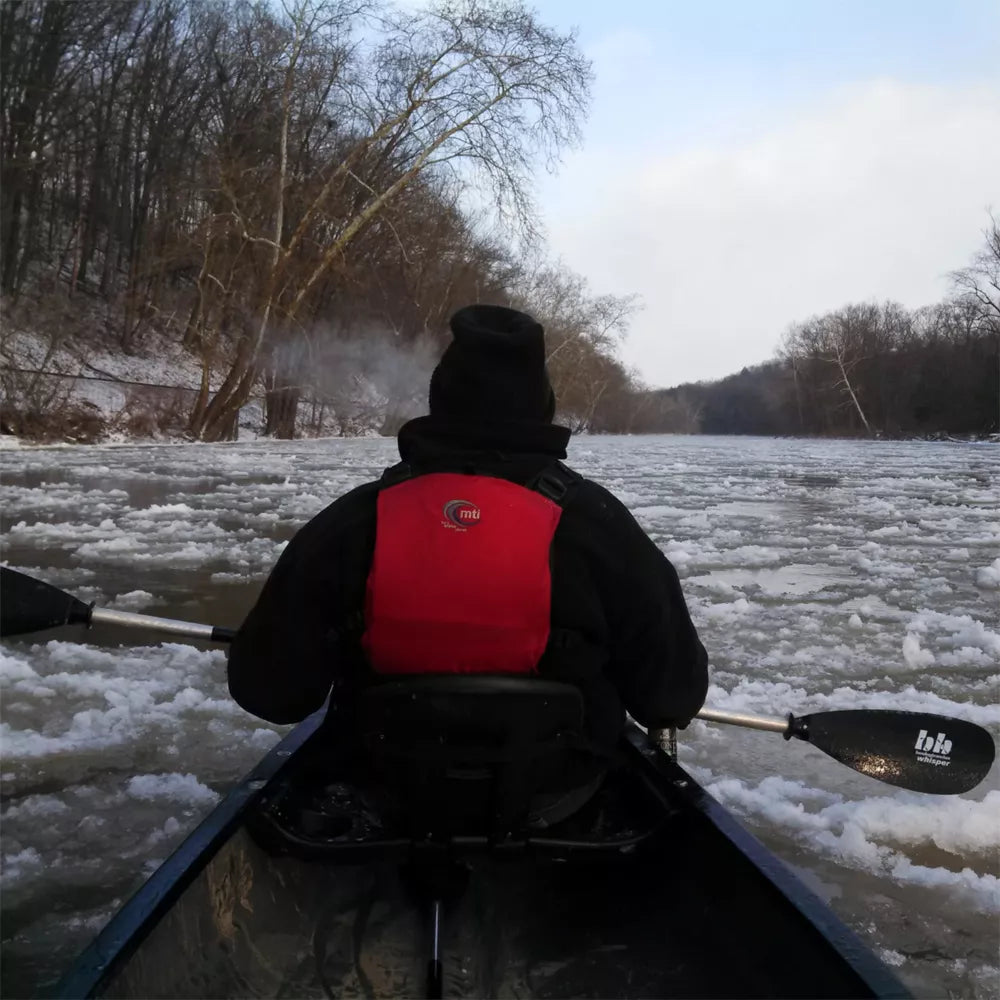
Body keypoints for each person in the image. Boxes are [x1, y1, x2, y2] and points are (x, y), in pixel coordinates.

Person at [228, 304, 708, 819]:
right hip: (560, 798)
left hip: (384, 791)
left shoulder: (355, 520)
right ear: (542, 406)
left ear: (439, 400)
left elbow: (269, 693)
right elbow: (672, 697)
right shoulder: (600, 524)